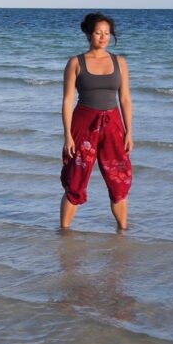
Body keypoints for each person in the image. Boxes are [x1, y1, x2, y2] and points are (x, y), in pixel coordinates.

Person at [60, 12, 133, 231]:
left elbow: (126, 98)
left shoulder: (119, 62)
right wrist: (68, 136)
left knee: (118, 180)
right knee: (76, 181)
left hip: (113, 125)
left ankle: (122, 233)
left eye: (107, 33)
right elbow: (67, 100)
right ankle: (63, 233)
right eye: (98, 33)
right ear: (89, 34)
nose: (103, 37)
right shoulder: (76, 62)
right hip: (84, 126)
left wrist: (130, 131)